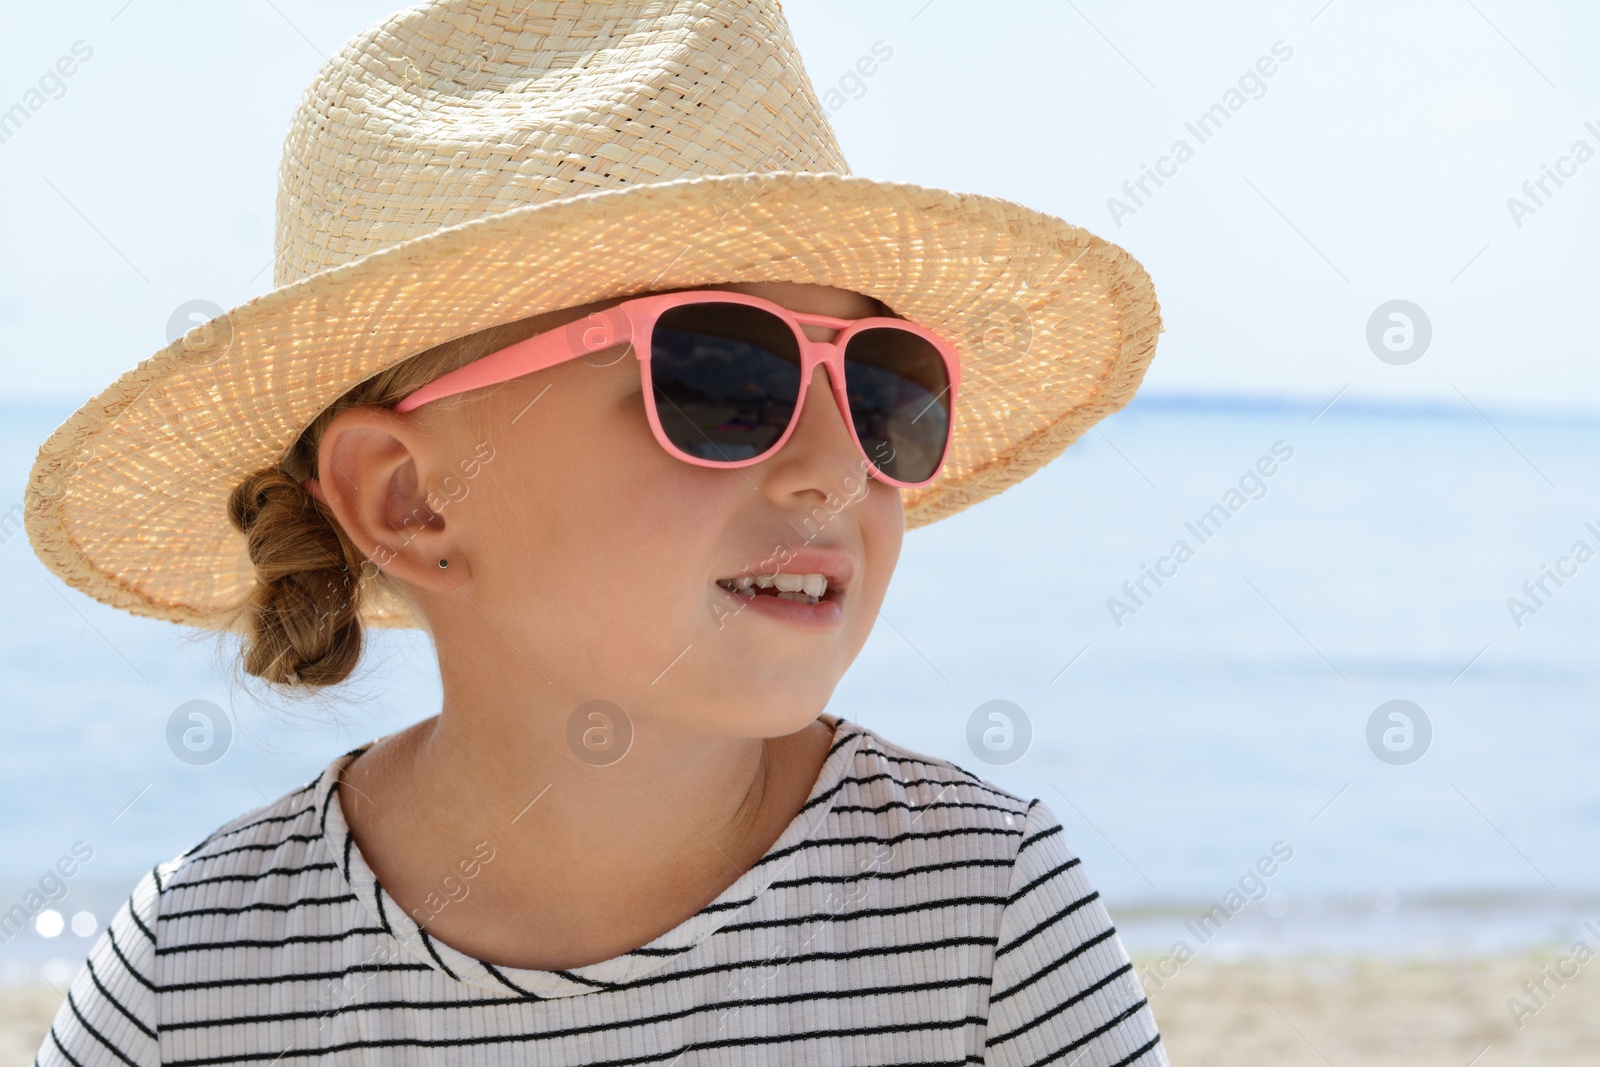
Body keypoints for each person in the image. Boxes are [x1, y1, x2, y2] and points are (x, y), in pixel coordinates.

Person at [25, 2, 1166, 1063]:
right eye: (724, 375)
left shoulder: (983, 917)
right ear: (408, 500)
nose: (834, 467)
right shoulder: (194, 979)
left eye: (881, 390)